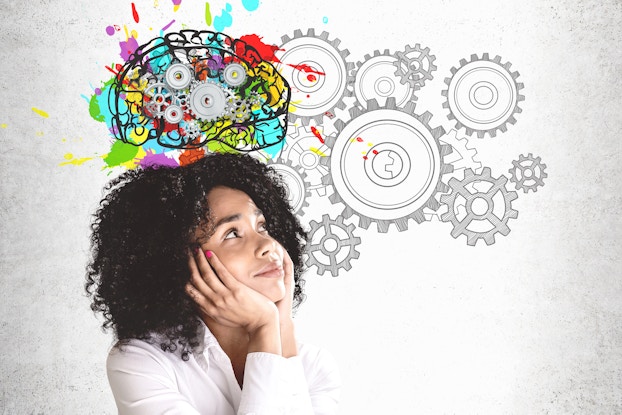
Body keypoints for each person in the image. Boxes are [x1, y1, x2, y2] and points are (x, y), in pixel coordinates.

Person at [85, 152, 341, 414]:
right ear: (177, 261)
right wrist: (264, 327)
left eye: (262, 226)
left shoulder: (315, 368)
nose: (268, 245)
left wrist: (281, 326)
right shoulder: (141, 362)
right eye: (232, 233)